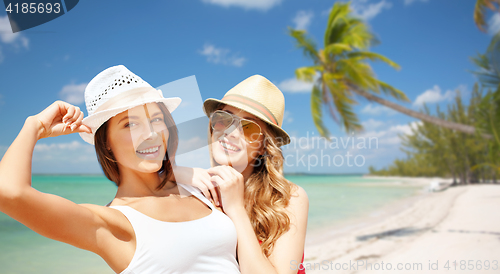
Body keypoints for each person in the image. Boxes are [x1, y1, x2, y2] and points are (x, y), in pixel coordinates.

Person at [0, 65, 240, 274]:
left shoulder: (196, 187)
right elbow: (9, 193)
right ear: (106, 142)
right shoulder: (111, 223)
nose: (151, 134)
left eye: (157, 119)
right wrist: (35, 126)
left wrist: (181, 173)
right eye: (130, 124)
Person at [187, 75, 309, 274]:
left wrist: (235, 209)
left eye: (248, 127)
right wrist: (180, 175)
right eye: (223, 119)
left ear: (263, 146)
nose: (231, 132)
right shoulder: (196, 192)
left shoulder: (288, 198)